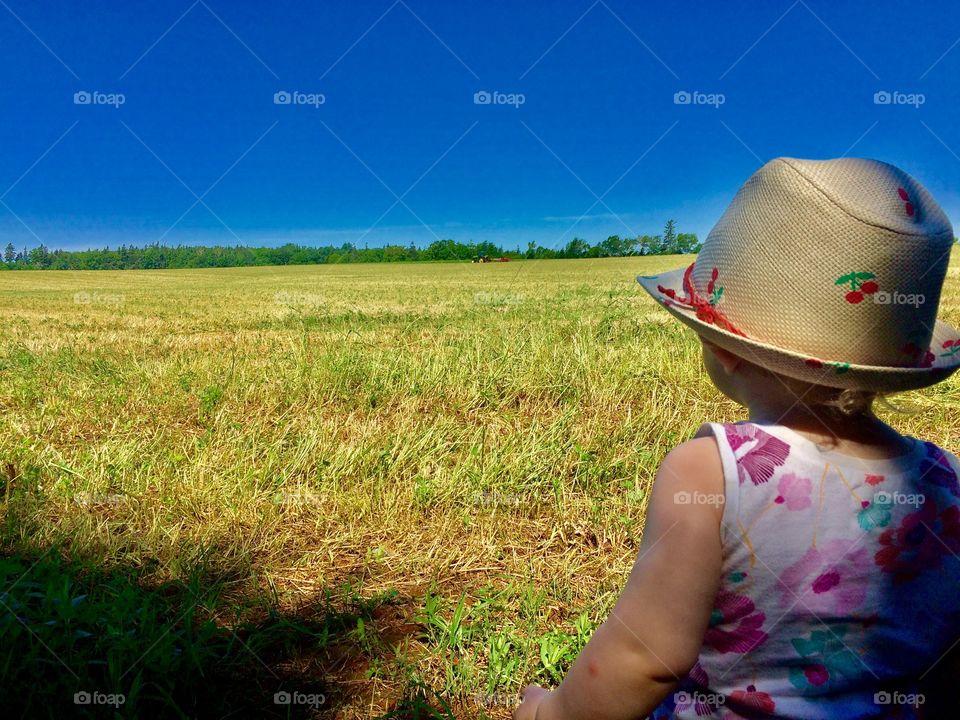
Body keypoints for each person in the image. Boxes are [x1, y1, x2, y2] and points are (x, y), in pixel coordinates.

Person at [514, 157, 960, 719]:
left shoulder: (710, 472)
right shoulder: (949, 482)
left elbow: (643, 656)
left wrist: (549, 714)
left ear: (721, 346)